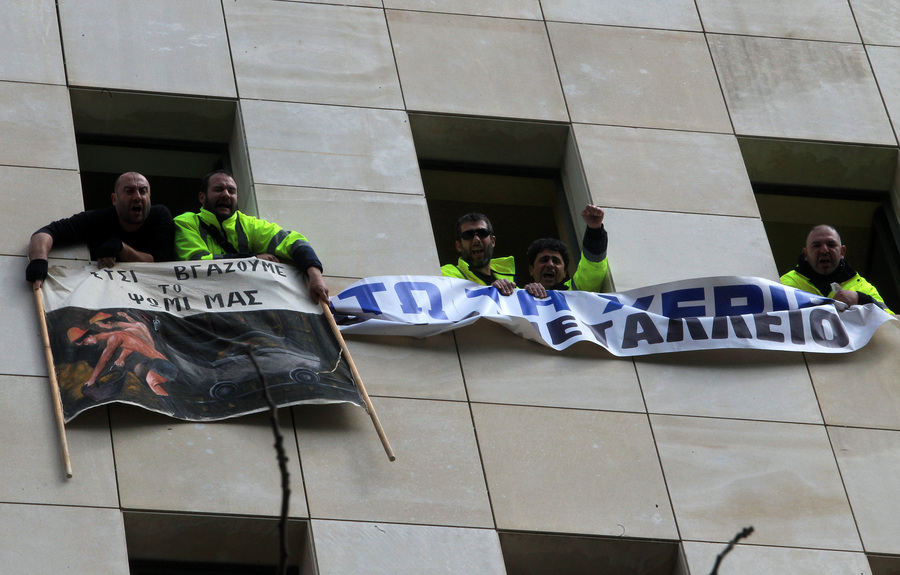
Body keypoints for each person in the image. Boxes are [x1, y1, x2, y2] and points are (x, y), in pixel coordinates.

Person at [173, 169, 328, 302]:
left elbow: (293, 242)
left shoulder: (249, 224)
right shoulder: (186, 222)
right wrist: (253, 259)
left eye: (232, 191)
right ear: (202, 197)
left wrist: (316, 277)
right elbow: (196, 262)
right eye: (218, 189)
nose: (226, 195)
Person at [26, 172, 174, 289]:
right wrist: (39, 261)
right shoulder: (98, 219)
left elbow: (159, 263)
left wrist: (121, 248)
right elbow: (45, 233)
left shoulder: (160, 216)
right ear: (114, 199)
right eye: (129, 191)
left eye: (143, 191)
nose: (137, 197)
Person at [781, 224, 892, 313]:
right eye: (816, 245)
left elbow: (891, 323)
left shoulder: (862, 287)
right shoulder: (784, 284)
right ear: (805, 254)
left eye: (831, 244)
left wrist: (862, 300)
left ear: (842, 252)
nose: (824, 250)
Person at [523, 205, 609, 298]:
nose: (550, 264)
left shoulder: (576, 291)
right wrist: (523, 294)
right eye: (544, 260)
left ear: (564, 272)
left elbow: (592, 268)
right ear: (531, 270)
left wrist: (594, 230)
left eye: (556, 261)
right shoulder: (515, 297)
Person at [440, 213, 516, 295]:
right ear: (458, 246)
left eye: (482, 233)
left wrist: (531, 292)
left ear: (493, 241)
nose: (476, 239)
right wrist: (488, 292)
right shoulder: (444, 275)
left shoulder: (511, 283)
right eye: (468, 235)